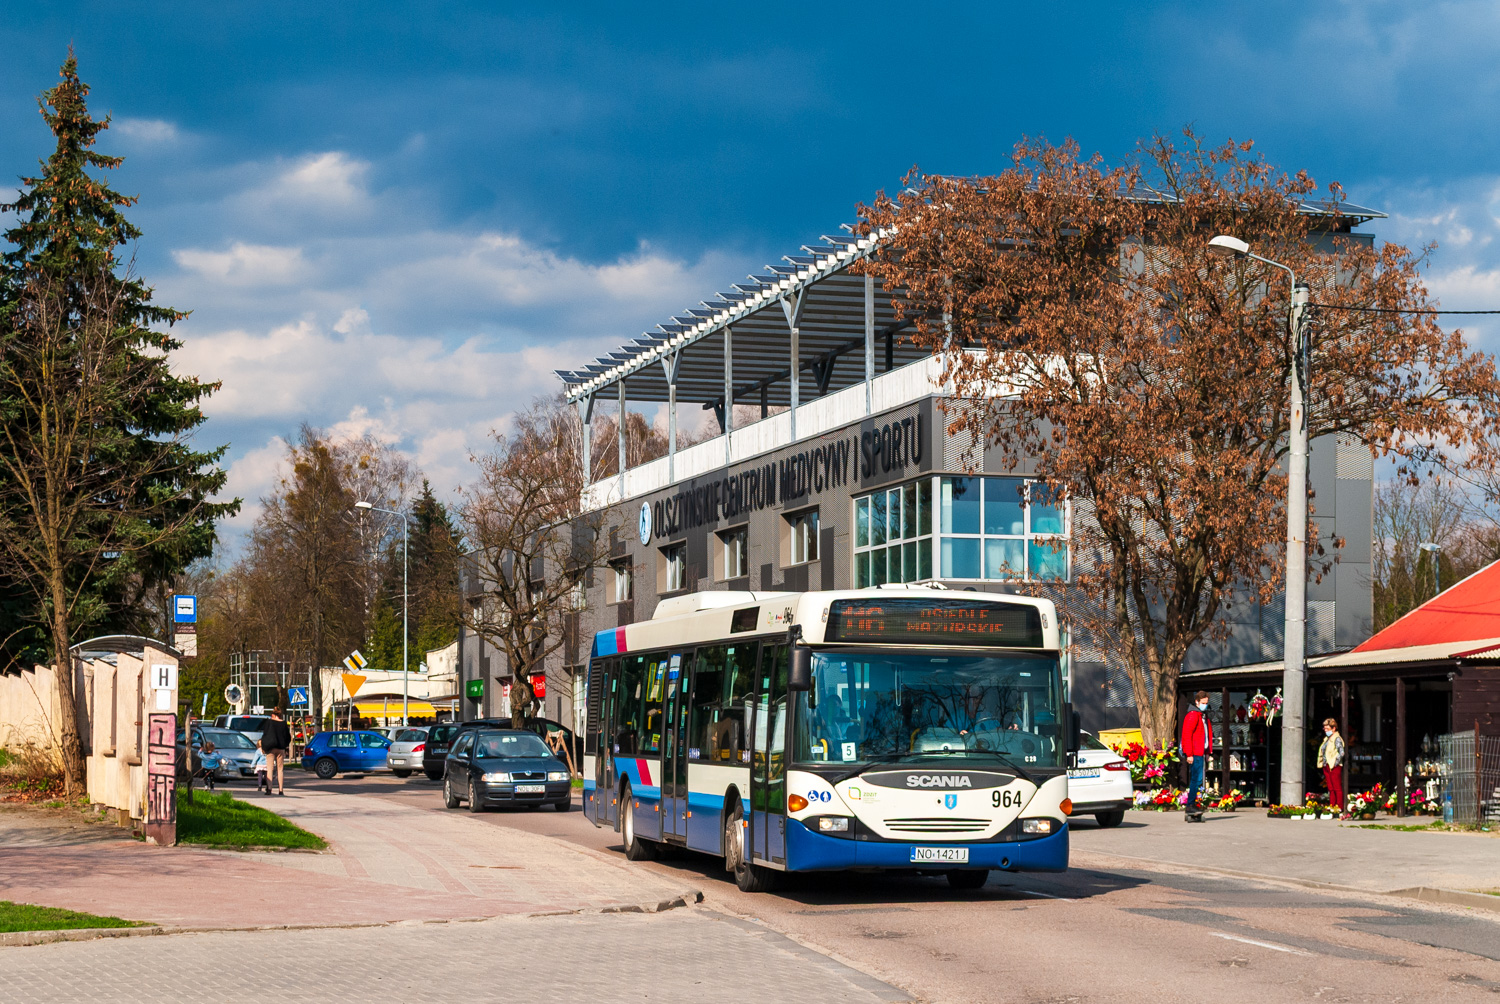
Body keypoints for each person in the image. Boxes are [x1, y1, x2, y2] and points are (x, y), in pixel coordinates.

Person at [1180, 690, 1214, 822]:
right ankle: (1190, 805)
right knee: (1196, 779)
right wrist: (1189, 754)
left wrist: (1207, 752)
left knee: (1197, 779)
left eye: (1206, 703)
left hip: (1199, 752)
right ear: (1197, 702)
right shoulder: (1194, 715)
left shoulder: (1201, 715)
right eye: (1203, 703)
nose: (1205, 705)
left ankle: (1192, 803)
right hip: (1195, 753)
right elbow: (1187, 735)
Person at [1317, 718, 1347, 818]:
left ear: (1334, 729)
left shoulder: (1337, 739)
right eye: (1324, 728)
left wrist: (1335, 763)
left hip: (1333, 766)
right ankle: (1332, 806)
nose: (1325, 730)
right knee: (1330, 787)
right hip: (1326, 765)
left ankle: (1339, 807)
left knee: (1337, 787)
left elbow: (1341, 752)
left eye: (1327, 728)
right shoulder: (1326, 739)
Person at [260, 707, 293, 795]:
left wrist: (264, 746)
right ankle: (281, 790)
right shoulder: (284, 724)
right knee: (280, 769)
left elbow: (265, 735)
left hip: (271, 748)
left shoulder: (269, 722)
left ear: (274, 715)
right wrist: (284, 745)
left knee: (270, 769)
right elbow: (288, 737)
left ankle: (269, 789)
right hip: (281, 748)